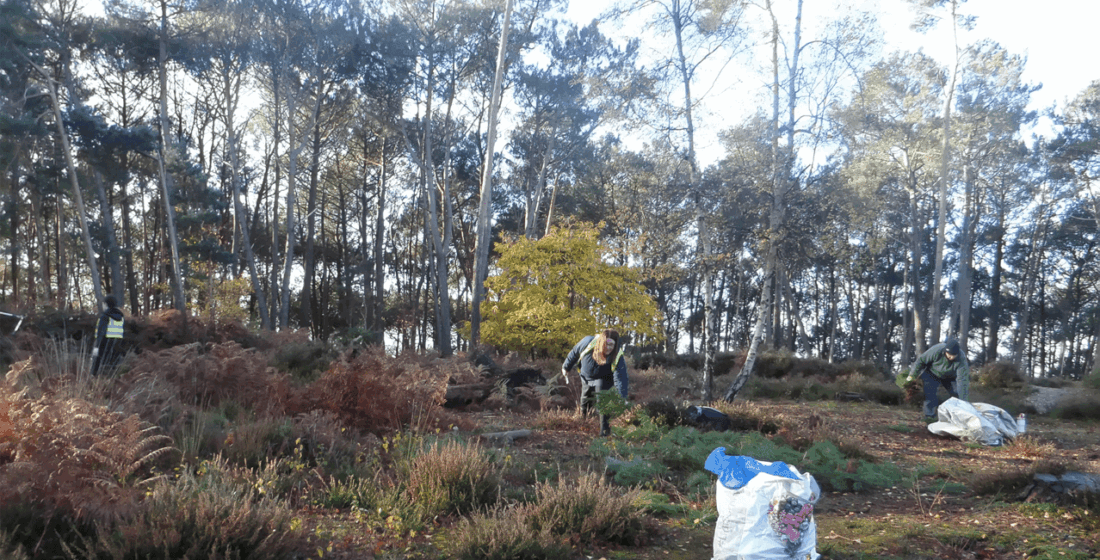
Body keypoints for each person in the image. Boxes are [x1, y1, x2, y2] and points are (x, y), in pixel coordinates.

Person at [561, 329, 629, 437]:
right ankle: (582, 427)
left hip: (604, 380)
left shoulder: (617, 354)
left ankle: (605, 433)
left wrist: (622, 397)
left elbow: (621, 377)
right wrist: (566, 367)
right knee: (585, 402)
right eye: (606, 344)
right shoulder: (588, 342)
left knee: (602, 403)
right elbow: (574, 352)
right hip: (586, 378)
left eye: (612, 344)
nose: (609, 347)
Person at [900, 338, 970, 421]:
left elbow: (962, 380)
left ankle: (958, 416)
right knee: (930, 395)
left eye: (953, 355)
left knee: (957, 393)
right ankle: (929, 417)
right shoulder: (937, 350)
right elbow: (920, 361)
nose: (950, 356)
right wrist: (912, 376)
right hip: (932, 373)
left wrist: (963, 401)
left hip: (950, 377)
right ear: (945, 351)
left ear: (957, 354)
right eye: (948, 354)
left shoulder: (961, 359)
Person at [91, 295, 125, 376]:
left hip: (104, 342)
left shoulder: (105, 317)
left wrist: (96, 347)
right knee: (113, 364)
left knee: (98, 361)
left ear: (106, 304)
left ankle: (94, 377)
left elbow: (101, 333)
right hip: (117, 344)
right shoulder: (121, 317)